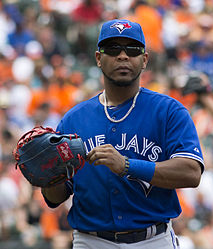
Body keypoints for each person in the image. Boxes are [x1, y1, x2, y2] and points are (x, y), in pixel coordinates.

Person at [41, 19, 204, 249]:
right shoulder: (73, 120)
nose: (123, 56)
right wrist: (47, 177)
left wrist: (127, 165)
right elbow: (56, 196)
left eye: (132, 49)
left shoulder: (169, 111)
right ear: (99, 58)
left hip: (153, 240)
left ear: (144, 59)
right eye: (113, 49)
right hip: (91, 240)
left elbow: (191, 172)